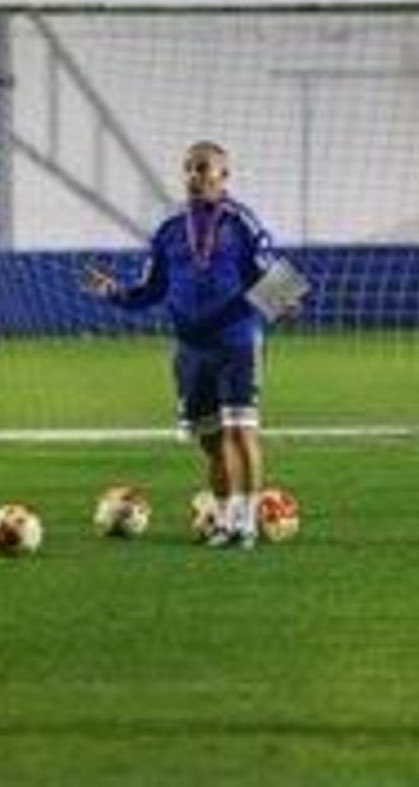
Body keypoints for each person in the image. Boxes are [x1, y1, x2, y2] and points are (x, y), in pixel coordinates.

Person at [83, 141, 286, 549]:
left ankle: (247, 523)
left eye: (203, 168)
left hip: (236, 342)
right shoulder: (170, 229)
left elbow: (272, 273)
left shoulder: (241, 222)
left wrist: (281, 303)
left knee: (240, 431)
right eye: (189, 168)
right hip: (191, 349)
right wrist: (114, 292)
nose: (195, 175)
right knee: (211, 440)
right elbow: (152, 288)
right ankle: (225, 521)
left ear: (223, 176)